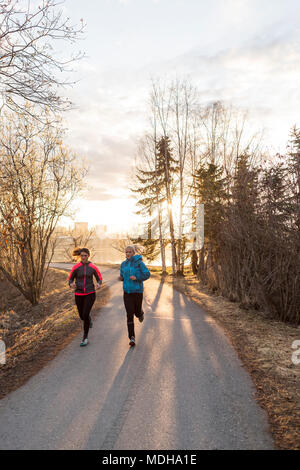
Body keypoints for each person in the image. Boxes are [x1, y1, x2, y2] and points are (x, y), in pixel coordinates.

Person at [68, 247, 102, 347]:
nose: (83, 257)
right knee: (82, 316)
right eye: (82, 256)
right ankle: (88, 318)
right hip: (78, 294)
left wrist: (99, 284)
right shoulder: (76, 267)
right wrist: (71, 284)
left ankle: (85, 337)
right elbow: (70, 279)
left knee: (85, 314)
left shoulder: (93, 267)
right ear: (80, 256)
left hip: (90, 293)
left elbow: (99, 278)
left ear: (88, 256)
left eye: (85, 256)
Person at [118, 245, 150, 347]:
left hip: (137, 291)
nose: (127, 254)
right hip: (127, 292)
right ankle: (132, 337)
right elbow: (123, 275)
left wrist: (136, 278)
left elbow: (147, 274)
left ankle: (140, 313)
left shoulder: (139, 263)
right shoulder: (123, 264)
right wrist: (121, 278)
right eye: (126, 252)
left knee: (136, 312)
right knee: (129, 314)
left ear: (133, 253)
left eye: (130, 252)